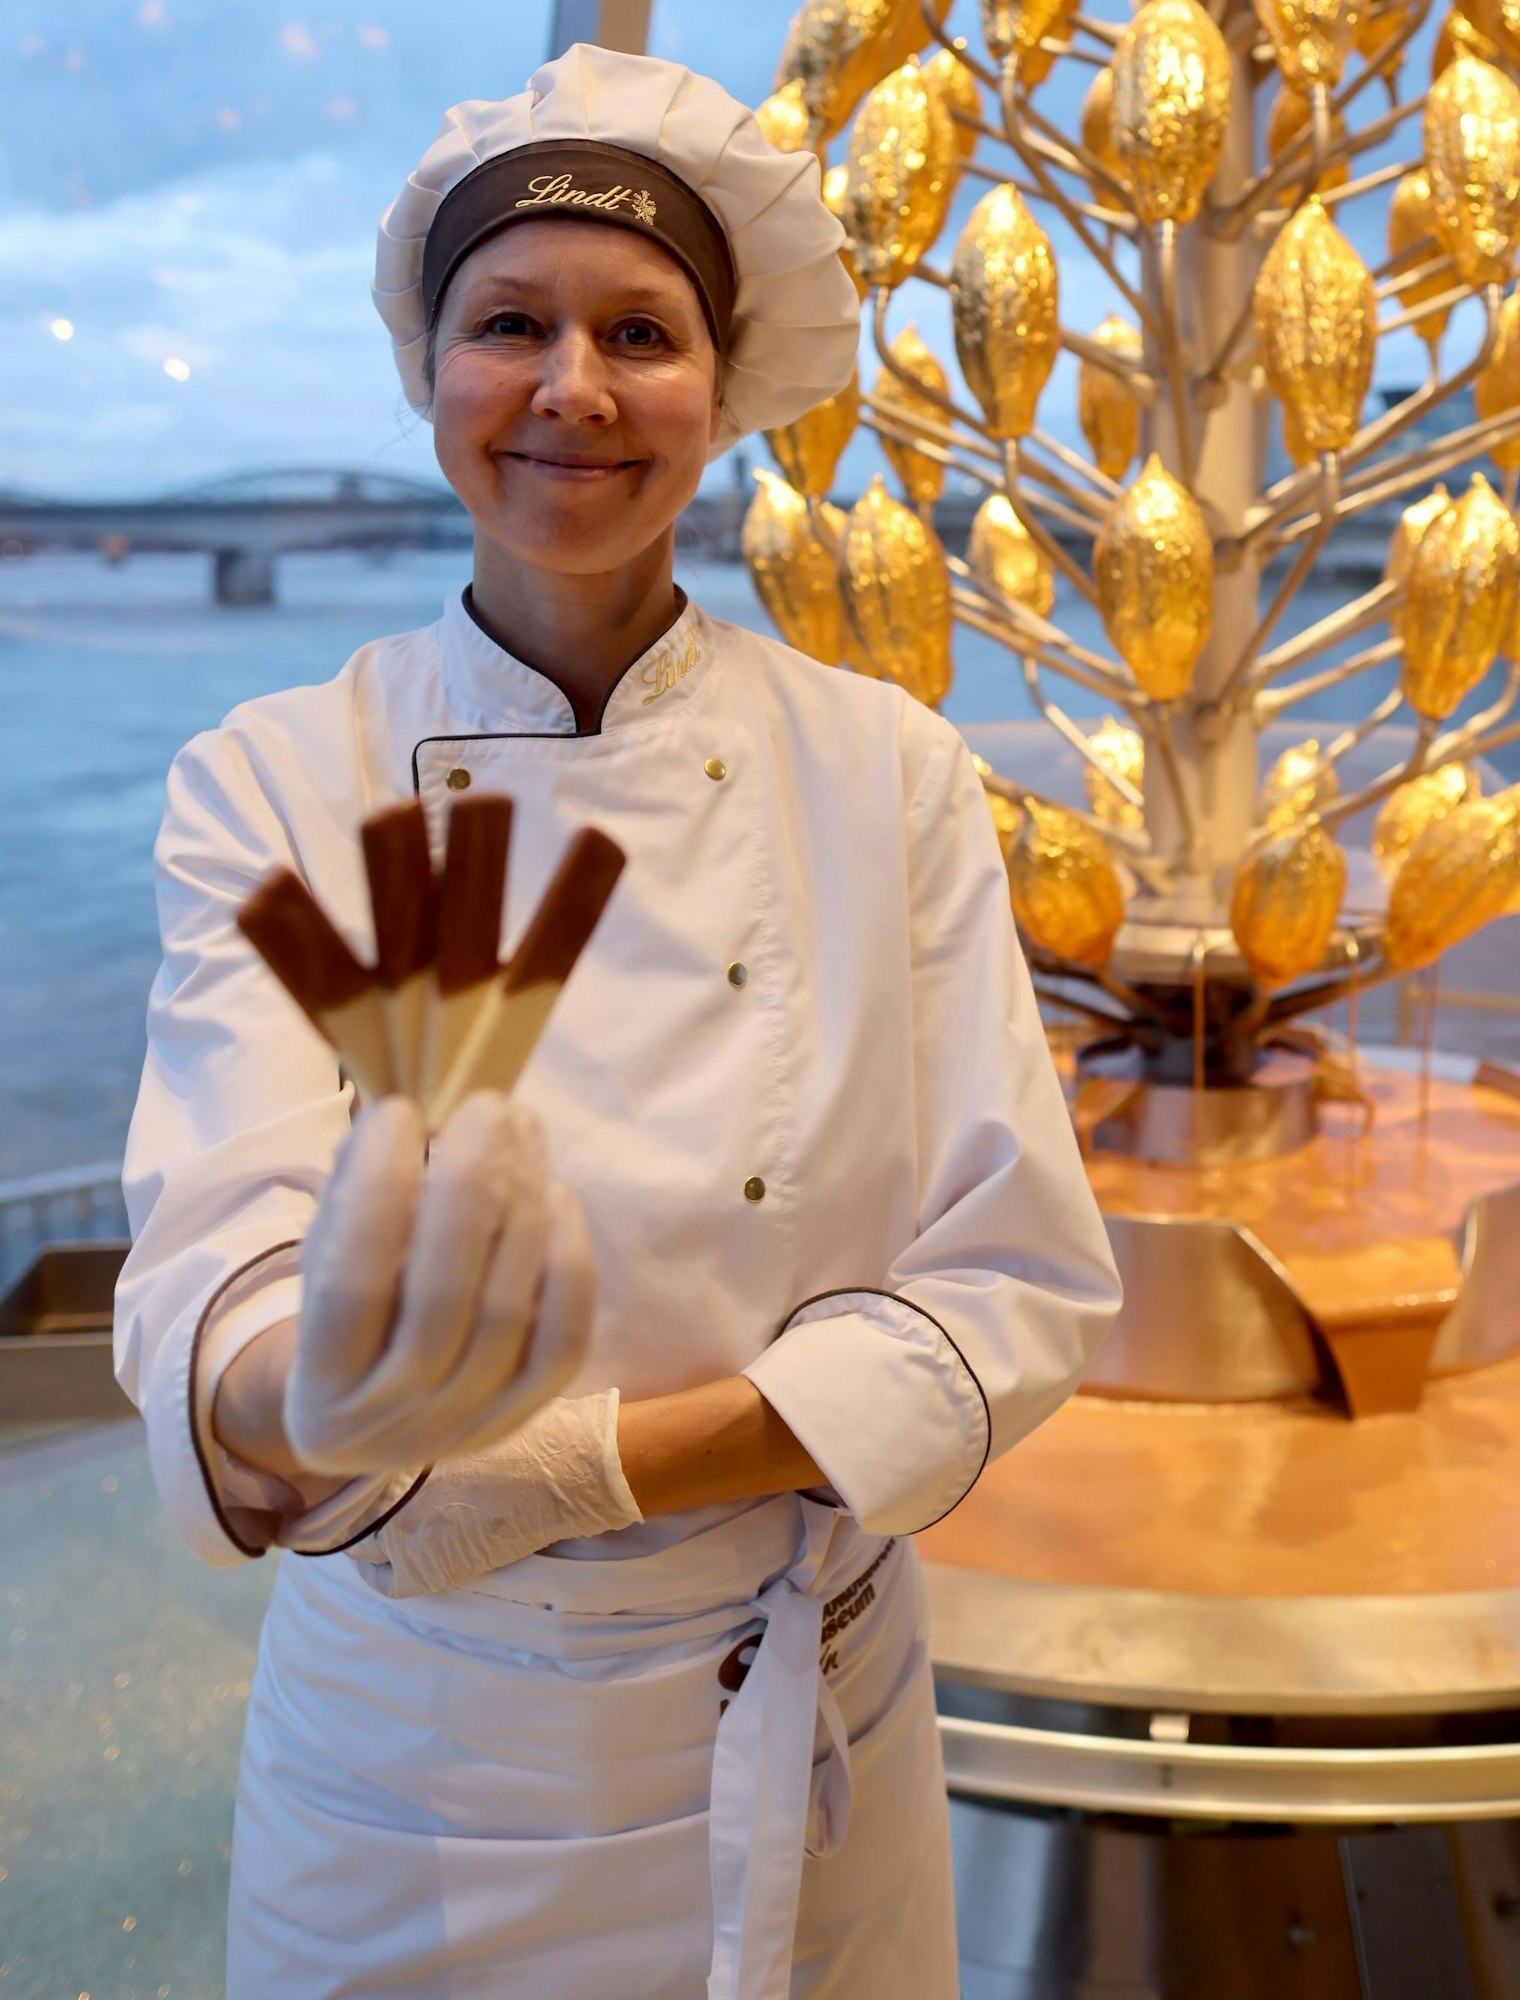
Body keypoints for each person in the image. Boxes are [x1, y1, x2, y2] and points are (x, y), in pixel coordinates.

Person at [112, 42, 1121, 2000]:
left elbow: (1013, 1281)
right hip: (417, 1721)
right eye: (512, 323)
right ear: (429, 373)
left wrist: (592, 1463)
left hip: (799, 1680)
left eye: (638, 333)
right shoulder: (277, 776)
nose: (572, 387)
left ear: (720, 396)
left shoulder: (883, 771)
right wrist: (299, 1391)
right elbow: (213, 1247)